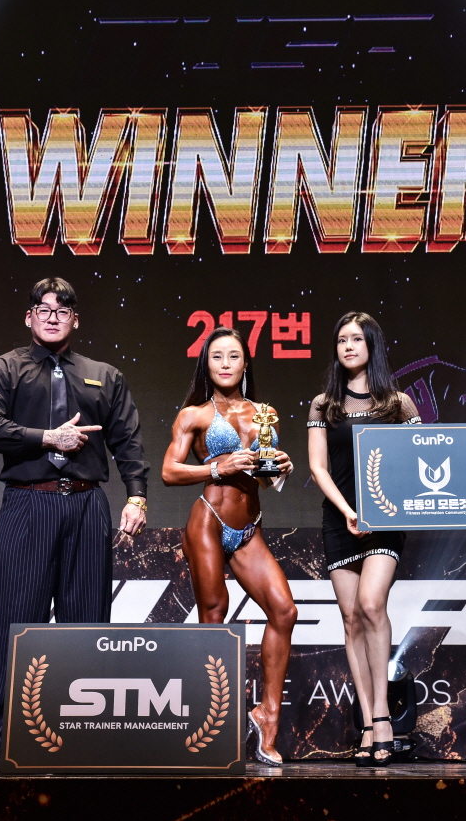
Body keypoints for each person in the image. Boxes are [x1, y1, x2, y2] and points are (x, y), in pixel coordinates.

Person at [0, 277, 149, 767]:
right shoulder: (3, 369)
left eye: (62, 310)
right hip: (29, 502)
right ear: (29, 317)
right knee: (11, 620)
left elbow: (128, 442)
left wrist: (137, 497)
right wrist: (47, 438)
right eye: (43, 309)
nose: (52, 317)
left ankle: (78, 735)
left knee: (86, 623)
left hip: (87, 506)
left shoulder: (103, 375)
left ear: (75, 320)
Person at [162, 326, 297, 765]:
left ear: (245, 362)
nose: (225, 363)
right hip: (208, 520)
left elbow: (265, 476)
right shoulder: (194, 415)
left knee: (284, 611)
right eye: (216, 356)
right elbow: (169, 471)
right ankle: (216, 724)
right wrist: (217, 468)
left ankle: (266, 717)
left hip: (248, 527)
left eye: (233, 356)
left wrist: (281, 467)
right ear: (207, 363)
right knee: (214, 616)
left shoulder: (265, 413)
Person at [305, 312, 419, 766]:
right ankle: (368, 723)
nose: (348, 346)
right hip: (340, 520)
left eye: (356, 338)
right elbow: (317, 467)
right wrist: (349, 512)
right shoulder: (323, 404)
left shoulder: (398, 404)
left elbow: (429, 453)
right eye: (341, 340)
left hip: (385, 521)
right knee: (351, 619)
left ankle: (384, 716)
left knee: (372, 605)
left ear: (372, 344)